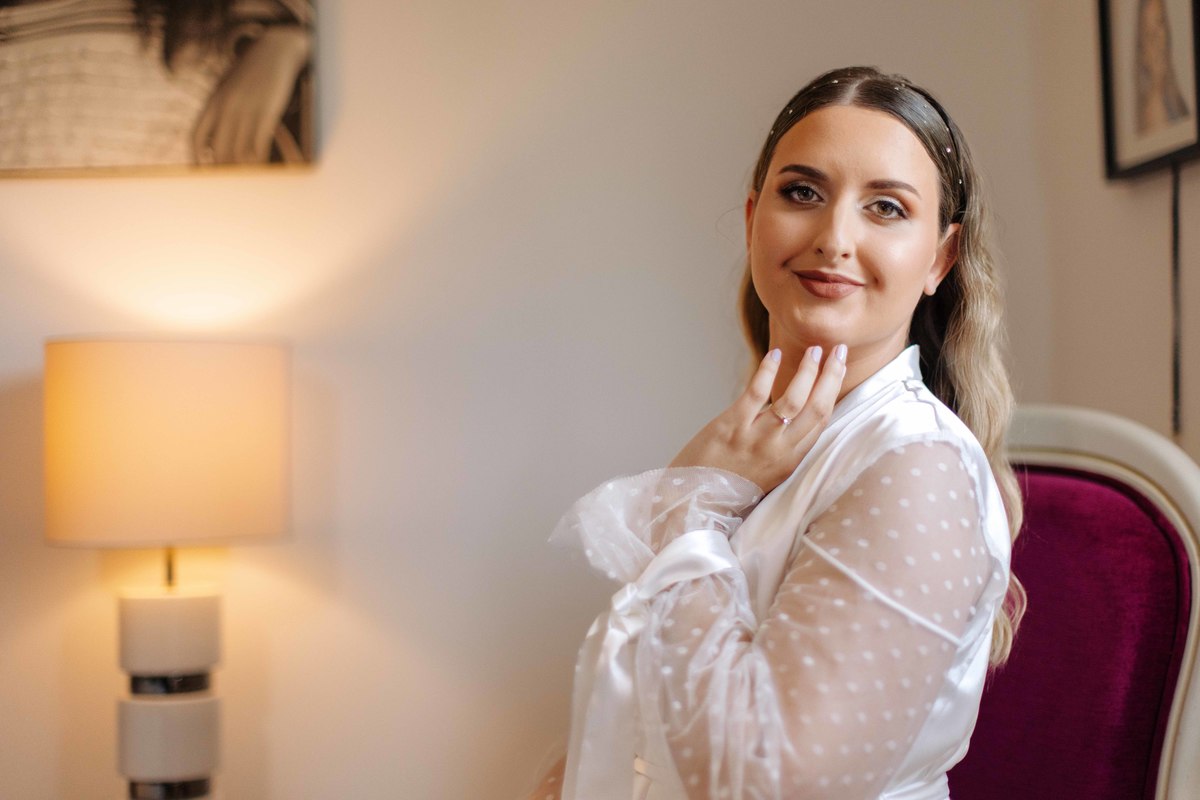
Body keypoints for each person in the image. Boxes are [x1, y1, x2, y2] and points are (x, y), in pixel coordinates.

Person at [530, 65, 1025, 800]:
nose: (834, 238)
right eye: (803, 193)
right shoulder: (766, 448)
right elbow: (648, 725)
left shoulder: (916, 466)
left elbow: (771, 779)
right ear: (752, 217)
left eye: (886, 207)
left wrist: (687, 514)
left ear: (939, 259)